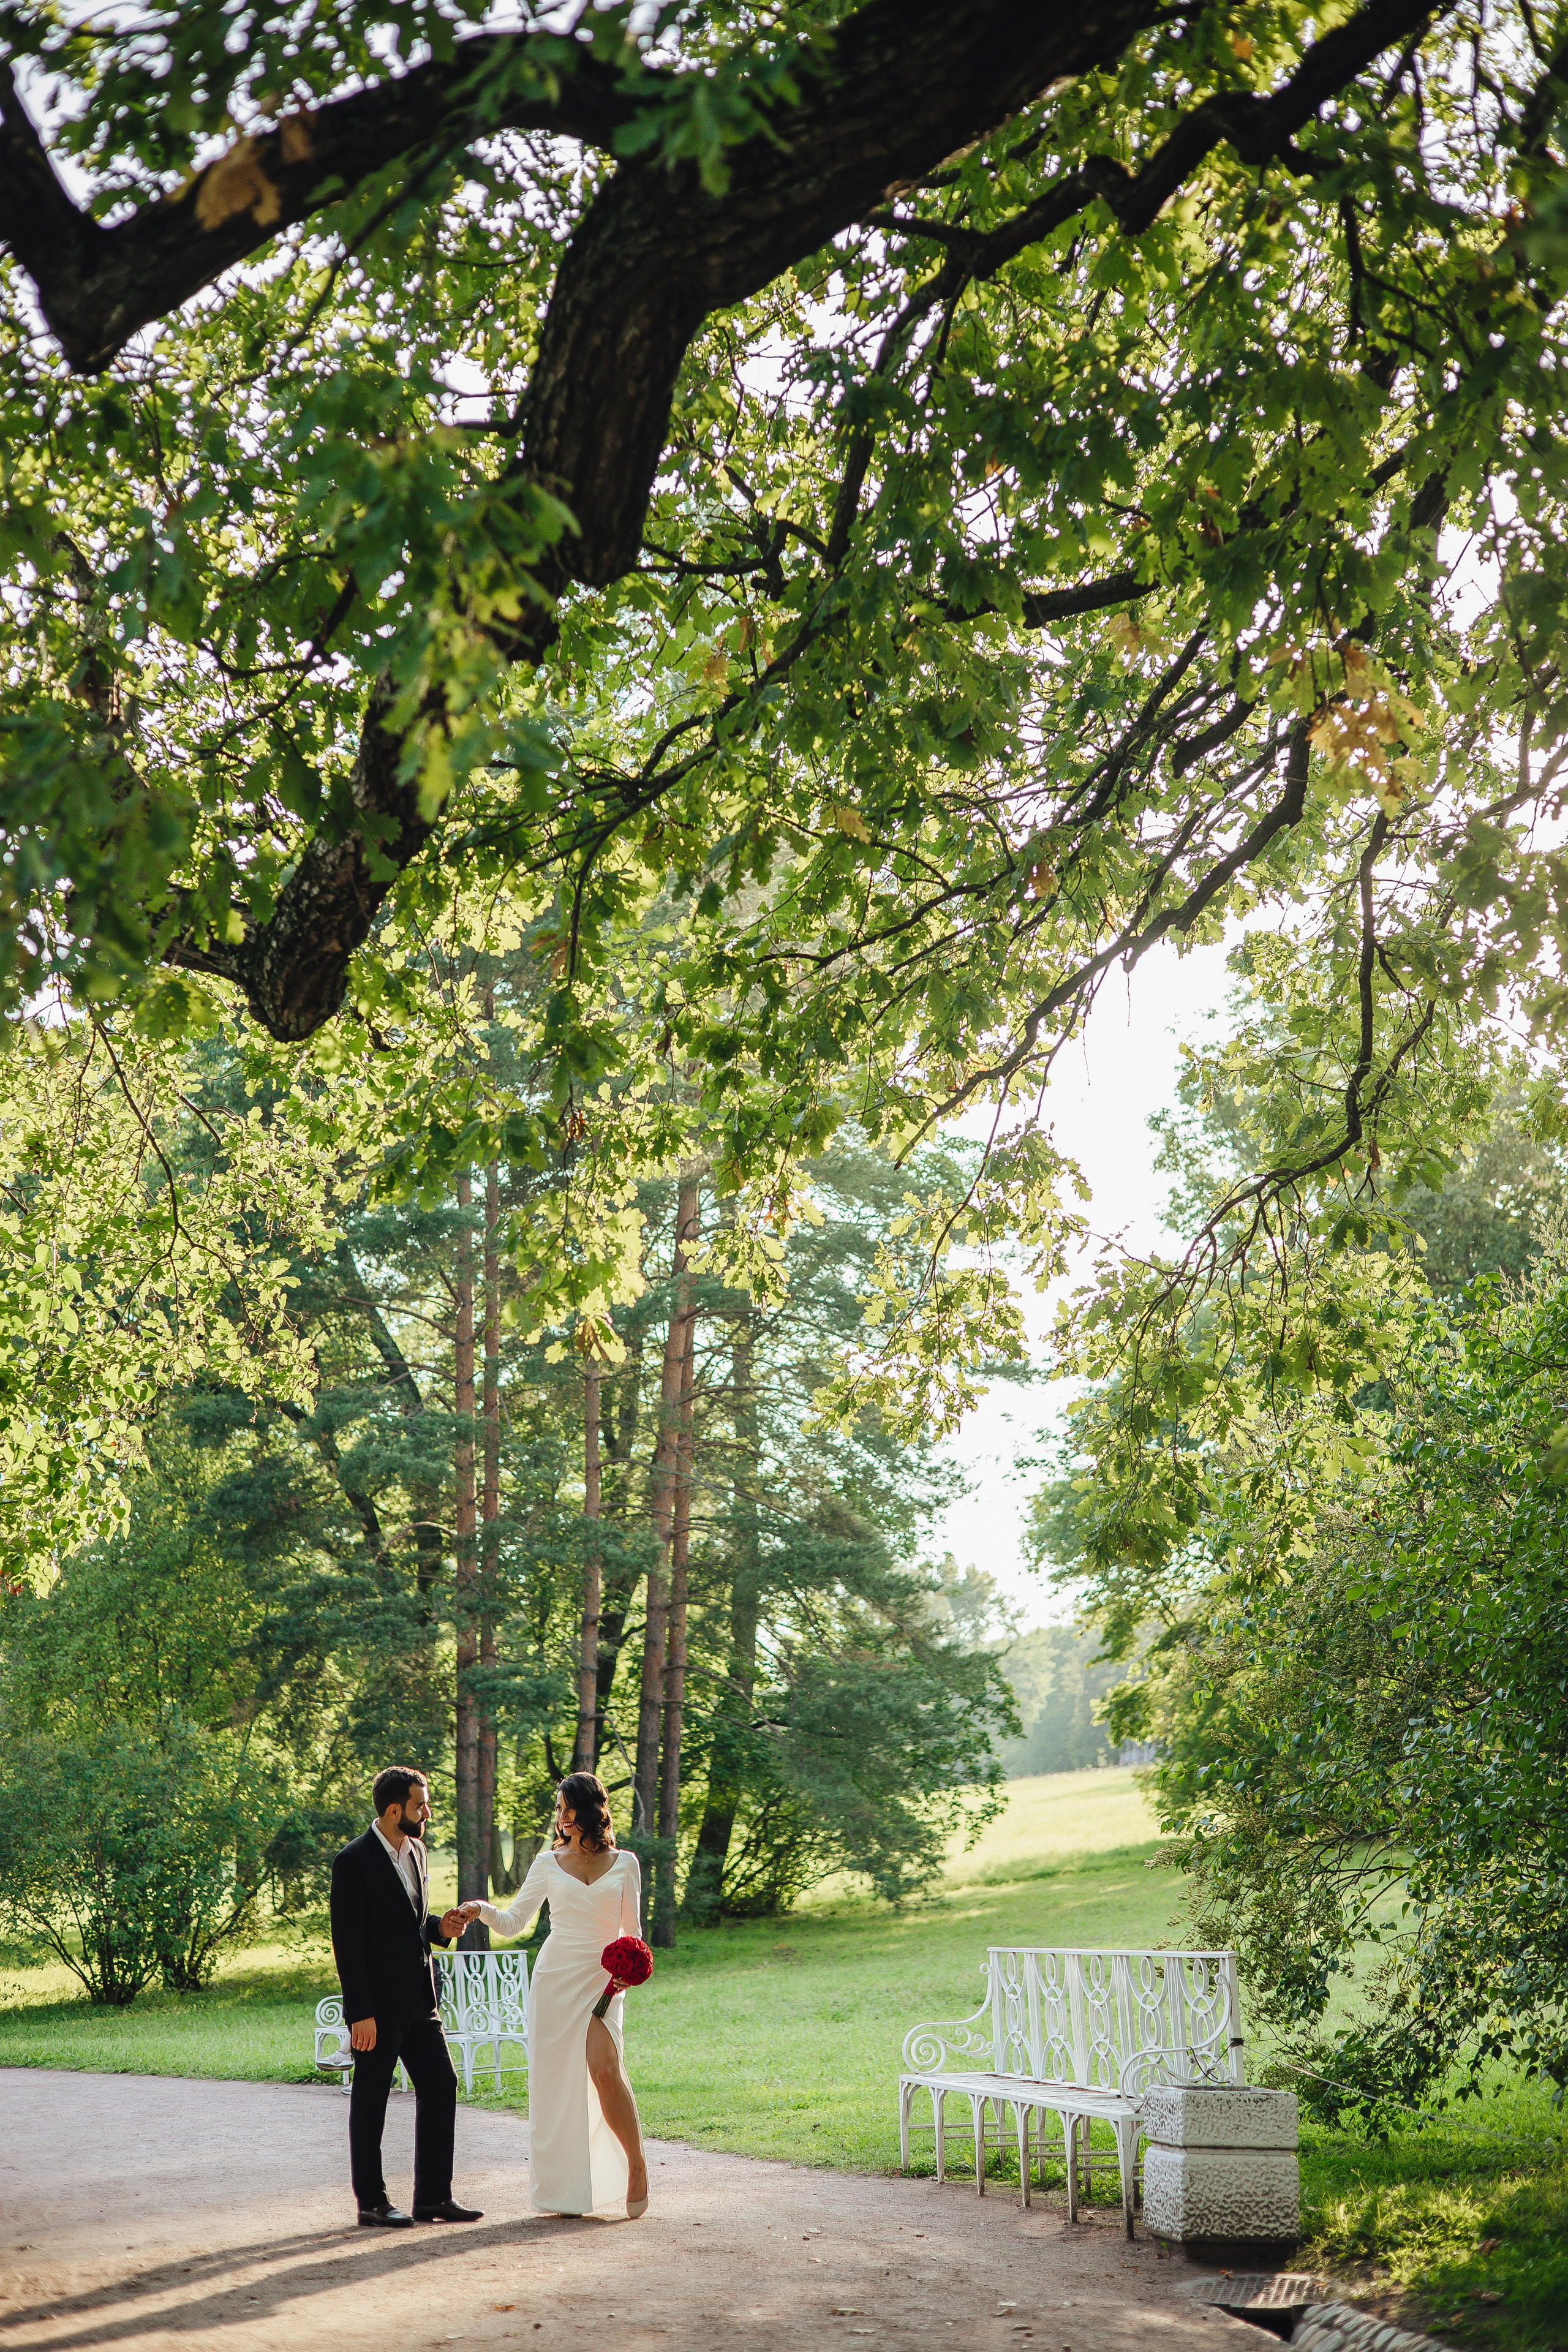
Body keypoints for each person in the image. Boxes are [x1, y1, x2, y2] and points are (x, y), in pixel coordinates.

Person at [459, 1770, 648, 2219]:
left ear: (587, 1812)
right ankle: (565, 2192)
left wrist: (628, 1972)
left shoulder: (626, 1864)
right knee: (558, 2087)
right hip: (555, 1979)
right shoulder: (547, 1862)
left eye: (566, 1808)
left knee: (605, 2069)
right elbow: (513, 1921)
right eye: (558, 1809)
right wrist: (479, 1909)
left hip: (604, 1980)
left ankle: (637, 2166)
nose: (560, 1817)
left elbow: (634, 1933)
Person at [329, 1765, 484, 2229]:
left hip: (421, 1999)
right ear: (395, 1810)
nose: (428, 1813)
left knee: (441, 2085)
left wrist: (441, 1928)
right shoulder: (352, 1861)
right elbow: (348, 1943)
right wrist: (360, 2013)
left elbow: (411, 1923)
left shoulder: (416, 1851)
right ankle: (371, 2202)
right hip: (375, 2008)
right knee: (371, 2099)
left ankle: (434, 2197)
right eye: (421, 1805)